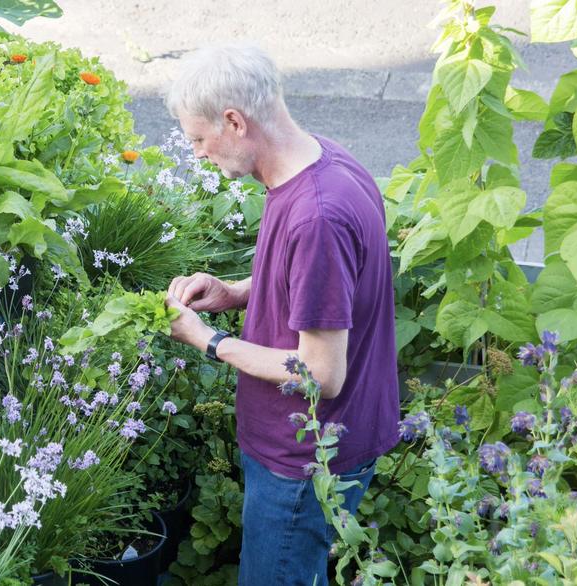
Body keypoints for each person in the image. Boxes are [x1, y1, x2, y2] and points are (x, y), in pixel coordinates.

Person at [163, 43, 400, 586]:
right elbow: (329, 286)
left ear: (234, 121)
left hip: (306, 457)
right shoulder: (325, 163)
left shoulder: (318, 215)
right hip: (313, 446)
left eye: (198, 138)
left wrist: (208, 339)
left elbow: (322, 373)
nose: (196, 153)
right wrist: (236, 291)